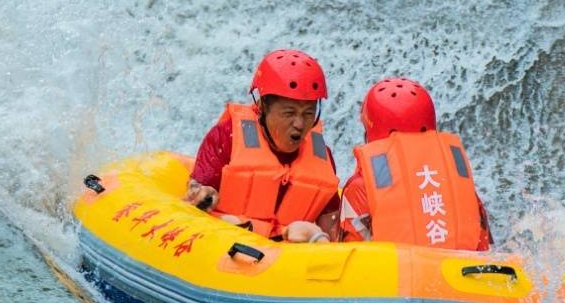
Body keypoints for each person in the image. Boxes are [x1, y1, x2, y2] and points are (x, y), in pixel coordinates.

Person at [185, 49, 340, 243]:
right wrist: (202, 195)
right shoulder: (227, 137)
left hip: (288, 252)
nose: (300, 124)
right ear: (262, 107)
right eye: (289, 113)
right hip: (228, 240)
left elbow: (332, 229)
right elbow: (194, 197)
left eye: (308, 113)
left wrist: (320, 238)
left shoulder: (322, 157)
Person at [340, 78, 491, 250]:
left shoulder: (360, 188)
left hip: (397, 267)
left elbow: (349, 254)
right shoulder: (457, 179)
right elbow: (484, 246)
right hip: (463, 266)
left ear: (371, 133)